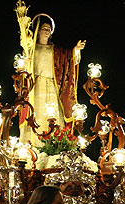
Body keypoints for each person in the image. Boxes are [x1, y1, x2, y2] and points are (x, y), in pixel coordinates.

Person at [16, 9, 86, 142]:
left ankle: (54, 141)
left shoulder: (55, 51)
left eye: (49, 29)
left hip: (52, 85)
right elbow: (24, 68)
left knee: (53, 112)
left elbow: (68, 58)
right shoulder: (32, 50)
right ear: (38, 31)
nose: (47, 31)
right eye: (44, 28)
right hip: (35, 87)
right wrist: (25, 62)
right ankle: (33, 141)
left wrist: (76, 50)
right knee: (35, 112)